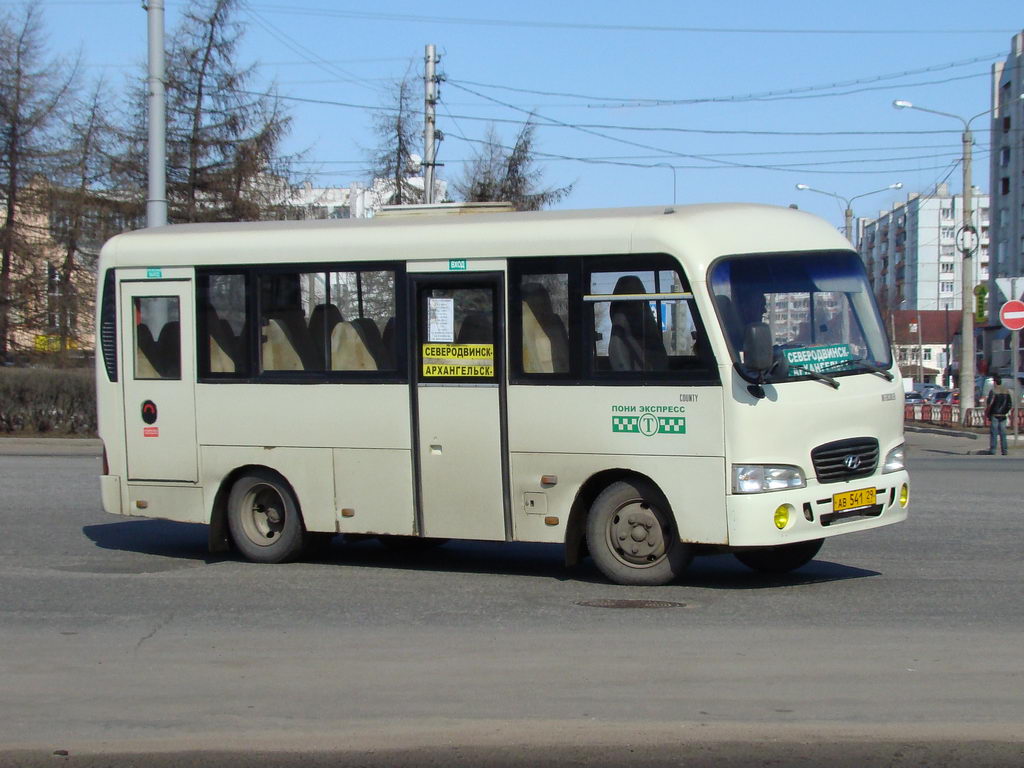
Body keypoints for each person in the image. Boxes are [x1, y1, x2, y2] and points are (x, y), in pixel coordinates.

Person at [983, 373, 1012, 455]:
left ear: (995, 382)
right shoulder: (1007, 391)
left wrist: (988, 414)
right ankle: (1004, 450)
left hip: (995, 414)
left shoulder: (993, 391)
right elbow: (1009, 404)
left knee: (994, 433)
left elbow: (990, 404)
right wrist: (1005, 411)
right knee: (1003, 433)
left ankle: (993, 449)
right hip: (1003, 415)